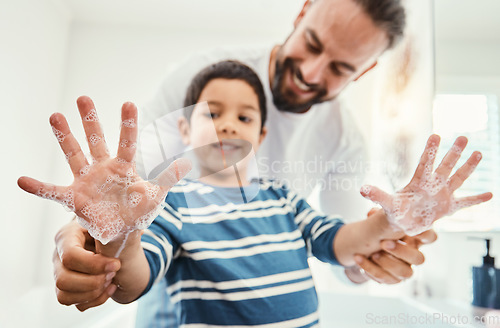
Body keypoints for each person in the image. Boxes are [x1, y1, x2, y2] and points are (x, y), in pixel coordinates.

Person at [18, 60, 491, 326]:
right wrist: (121, 236)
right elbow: (132, 284)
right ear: (185, 128)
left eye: (244, 117)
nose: (228, 123)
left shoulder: (283, 198)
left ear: (262, 136)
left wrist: (392, 222)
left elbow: (342, 242)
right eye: (212, 113)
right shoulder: (171, 205)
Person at [50, 0, 436, 319]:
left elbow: (344, 242)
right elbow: (124, 191)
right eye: (313, 44)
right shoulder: (202, 79)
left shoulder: (329, 156)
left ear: (365, 70)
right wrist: (96, 232)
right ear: (301, 14)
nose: (310, 72)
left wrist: (382, 239)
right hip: (176, 293)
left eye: (340, 68)